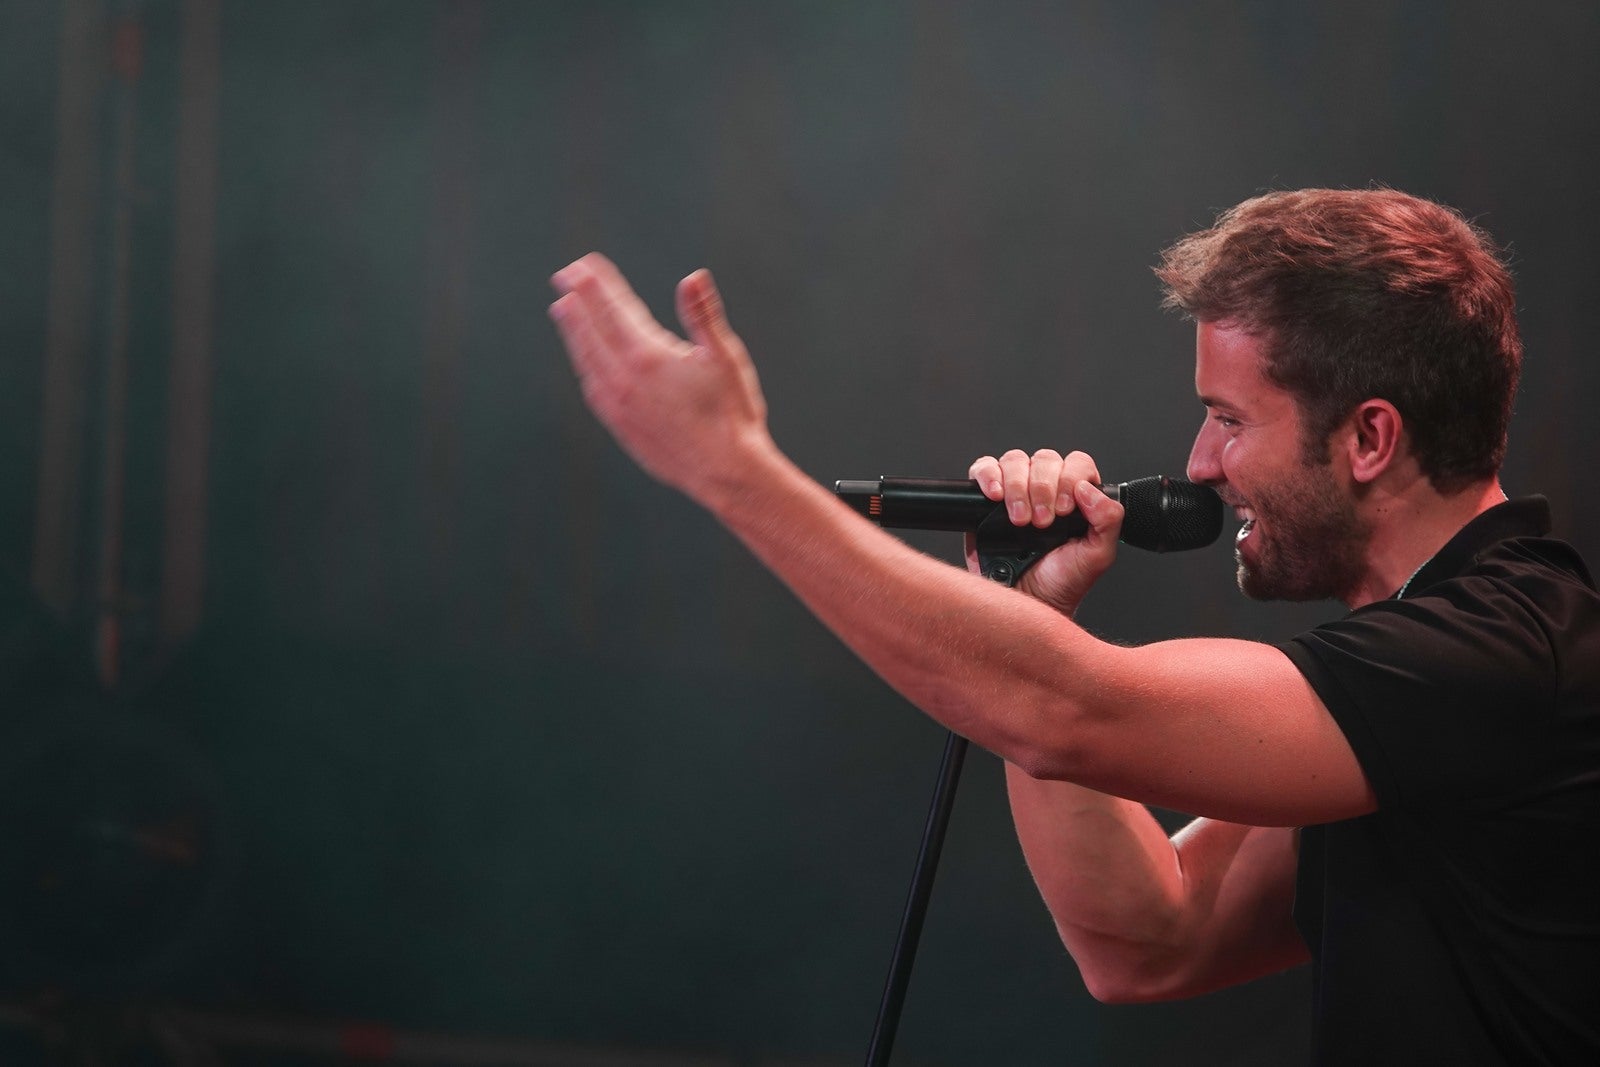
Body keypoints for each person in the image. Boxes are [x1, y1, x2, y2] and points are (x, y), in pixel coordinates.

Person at [548, 188, 1600, 1063]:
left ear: (1370, 437)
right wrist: (1028, 609)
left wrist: (735, 472)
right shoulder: (1420, 694)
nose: (1197, 464)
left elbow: (1066, 707)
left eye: (1229, 419)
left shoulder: (1510, 651)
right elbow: (1149, 937)